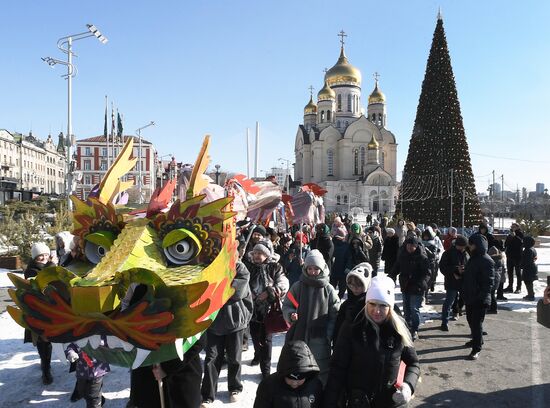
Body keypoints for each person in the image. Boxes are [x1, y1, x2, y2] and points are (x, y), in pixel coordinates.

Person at [324, 274, 420, 408]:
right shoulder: (352, 326)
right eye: (372, 304)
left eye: (383, 306)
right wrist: (330, 402)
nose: (377, 310)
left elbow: (413, 363)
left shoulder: (398, 331)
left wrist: (408, 385)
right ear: (366, 303)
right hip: (356, 402)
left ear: (390, 307)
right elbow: (337, 368)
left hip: (389, 402)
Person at [282, 250, 340, 384]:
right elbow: (287, 304)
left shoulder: (329, 289)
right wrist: (291, 314)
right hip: (299, 335)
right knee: (299, 367)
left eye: (316, 269)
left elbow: (334, 314)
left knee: (320, 370)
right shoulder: (298, 286)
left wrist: (328, 334)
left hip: (319, 339)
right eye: (309, 268)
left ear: (322, 268)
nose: (313, 272)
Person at [200, 261, 253, 405]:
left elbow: (238, 292)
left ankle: (235, 388)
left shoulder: (239, 267)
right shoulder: (208, 266)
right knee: (211, 359)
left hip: (235, 321)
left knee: (234, 358)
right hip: (213, 323)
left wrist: (219, 287)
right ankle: (207, 395)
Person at [244, 239, 289, 378]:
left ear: (267, 255)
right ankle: (258, 355)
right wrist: (247, 292)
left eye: (261, 253)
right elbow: (242, 281)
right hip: (251, 308)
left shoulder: (275, 267)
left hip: (268, 310)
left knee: (266, 339)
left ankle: (266, 370)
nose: (257, 255)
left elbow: (283, 284)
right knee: (254, 335)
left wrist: (270, 292)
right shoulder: (248, 266)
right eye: (255, 252)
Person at [254, 340, 323, 408]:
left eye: (299, 379)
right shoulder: (268, 386)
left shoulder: (315, 385)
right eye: (290, 378)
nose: (294, 383)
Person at [24, 242, 57, 385]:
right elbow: (41, 282)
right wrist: (52, 266)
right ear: (34, 258)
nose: (44, 258)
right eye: (40, 256)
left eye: (45, 254)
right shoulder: (31, 270)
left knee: (48, 339)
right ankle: (45, 369)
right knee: (41, 339)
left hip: (51, 309)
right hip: (36, 310)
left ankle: (47, 364)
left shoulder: (51, 266)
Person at [389, 236, 431, 341]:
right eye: (408, 245)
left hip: (417, 287)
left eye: (412, 246)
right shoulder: (402, 255)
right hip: (405, 285)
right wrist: (390, 278)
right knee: (406, 309)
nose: (410, 248)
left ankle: (415, 329)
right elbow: (396, 268)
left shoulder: (422, 257)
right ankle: (407, 326)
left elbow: (427, 273)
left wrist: (422, 283)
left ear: (416, 246)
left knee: (414, 309)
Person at [462, 234, 494, 360]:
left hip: (480, 299)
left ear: (477, 245)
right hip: (470, 296)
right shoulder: (473, 258)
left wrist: (481, 297)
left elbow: (489, 282)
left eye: (471, 244)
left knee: (476, 323)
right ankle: (477, 340)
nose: (469, 246)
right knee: (471, 321)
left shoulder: (486, 260)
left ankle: (476, 349)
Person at [333, 262, 372, 343]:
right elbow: (338, 325)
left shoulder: (370, 304)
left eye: (359, 285)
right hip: (346, 344)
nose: (355, 288)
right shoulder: (346, 304)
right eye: (352, 285)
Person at [65, 338, 110, 408]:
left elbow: (109, 346)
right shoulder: (79, 337)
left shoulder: (100, 337)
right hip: (81, 372)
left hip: (97, 373)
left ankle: (96, 403)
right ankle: (100, 399)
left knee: (93, 396)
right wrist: (71, 353)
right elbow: (71, 346)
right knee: (82, 391)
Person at [439, 235, 469, 331]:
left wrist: (465, 270)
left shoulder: (466, 254)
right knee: (449, 302)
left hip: (463, 281)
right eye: (462, 246)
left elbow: (469, 265)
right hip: (452, 281)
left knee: (464, 299)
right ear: (457, 245)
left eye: (464, 246)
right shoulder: (448, 253)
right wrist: (455, 270)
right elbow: (443, 267)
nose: (463, 248)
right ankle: (444, 322)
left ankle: (458, 310)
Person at [504, 223, 524, 293]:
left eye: (514, 227)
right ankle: (510, 287)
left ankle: (518, 288)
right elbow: (506, 244)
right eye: (512, 227)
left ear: (518, 227)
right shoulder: (510, 234)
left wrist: (515, 237)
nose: (512, 228)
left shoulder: (520, 234)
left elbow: (521, 243)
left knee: (518, 273)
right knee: (509, 272)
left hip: (517, 256)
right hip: (509, 256)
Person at [487, 246, 505, 312]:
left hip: (493, 278)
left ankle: (493, 308)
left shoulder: (492, 260)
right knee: (492, 294)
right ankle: (492, 308)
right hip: (497, 278)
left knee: (491, 295)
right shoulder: (500, 259)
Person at [521, 236, 538, 301]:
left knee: (528, 281)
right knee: (528, 281)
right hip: (531, 267)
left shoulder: (528, 250)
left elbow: (527, 260)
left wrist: (522, 265)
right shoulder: (532, 248)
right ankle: (530, 294)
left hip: (529, 268)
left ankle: (531, 295)